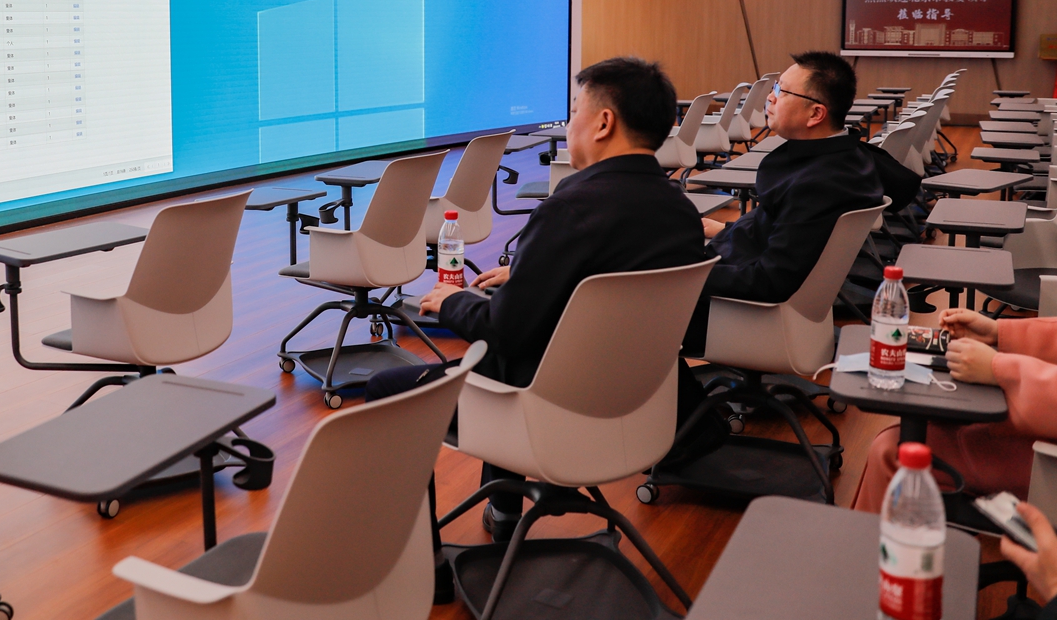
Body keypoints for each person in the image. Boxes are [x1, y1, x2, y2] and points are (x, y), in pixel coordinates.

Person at [365, 56, 706, 540]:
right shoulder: (680, 212)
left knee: (391, 388)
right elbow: (611, 281)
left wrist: (451, 301)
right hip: (640, 410)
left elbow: (506, 330)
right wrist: (531, 273)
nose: (569, 124)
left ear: (603, 123)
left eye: (575, 111)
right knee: (511, 354)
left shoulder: (570, 209)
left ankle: (422, 559)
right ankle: (503, 511)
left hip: (549, 413)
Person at [681, 51, 920, 353]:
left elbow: (769, 281)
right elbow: (783, 229)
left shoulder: (820, 184)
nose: (770, 97)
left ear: (815, 114)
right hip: (739, 279)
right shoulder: (845, 159)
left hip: (736, 314)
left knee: (630, 307)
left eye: (781, 91)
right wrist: (726, 230)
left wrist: (683, 276)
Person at [853, 308, 1057, 512]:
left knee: (893, 451)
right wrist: (999, 332)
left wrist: (1000, 369)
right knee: (918, 432)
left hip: (1047, 463)